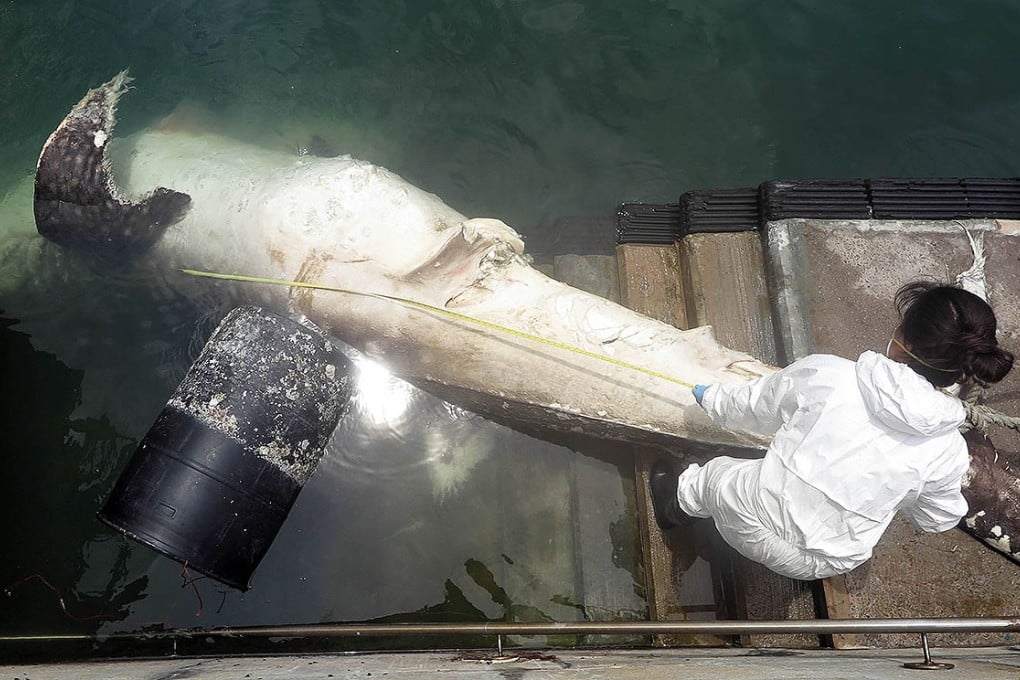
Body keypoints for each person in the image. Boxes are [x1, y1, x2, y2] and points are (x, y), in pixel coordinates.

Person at [650, 281, 1014, 580]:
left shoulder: (827, 374)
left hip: (751, 522)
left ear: (905, 341)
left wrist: (711, 397)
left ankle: (676, 504)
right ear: (961, 371)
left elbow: (751, 409)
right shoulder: (948, 452)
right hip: (826, 563)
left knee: (717, 474)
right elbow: (938, 519)